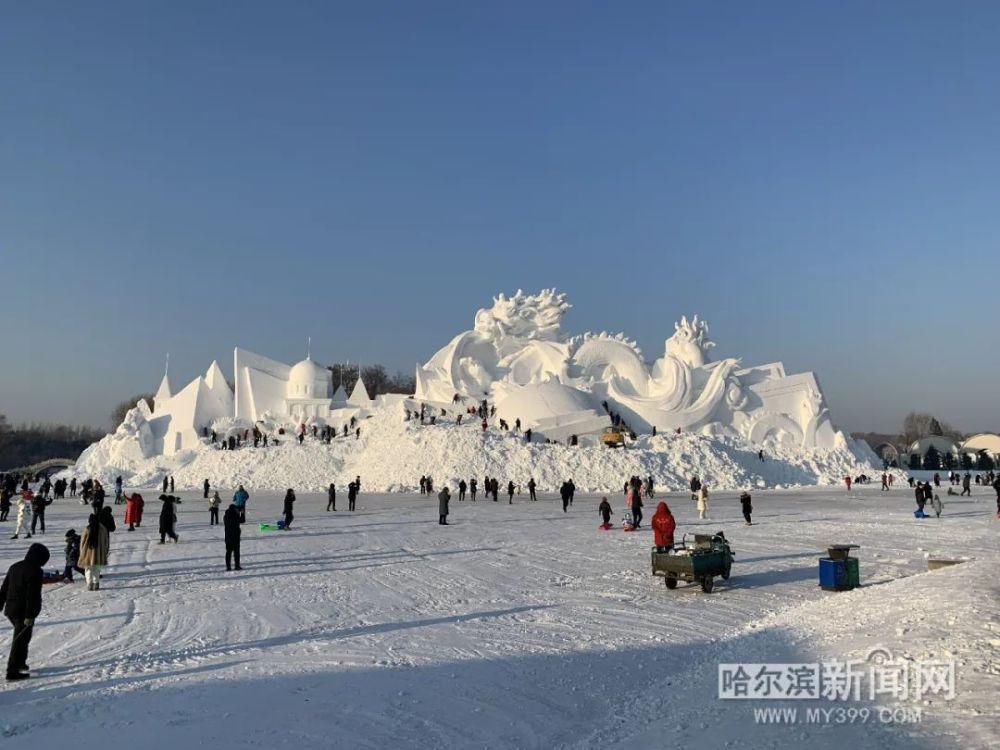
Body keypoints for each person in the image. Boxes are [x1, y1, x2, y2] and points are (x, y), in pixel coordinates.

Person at [0, 542, 50, 680]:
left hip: (11, 609)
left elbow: (4, 588)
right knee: (20, 639)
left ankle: (20, 663)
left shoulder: (15, 566)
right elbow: (33, 595)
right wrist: (31, 614)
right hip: (24, 611)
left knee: (24, 637)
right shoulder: (35, 571)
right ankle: (12, 671)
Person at [79, 512, 110, 591]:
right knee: (97, 569)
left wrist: (82, 552)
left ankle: (89, 583)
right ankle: (96, 583)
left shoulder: (87, 528)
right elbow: (106, 541)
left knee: (88, 569)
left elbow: (82, 542)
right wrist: (105, 551)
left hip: (88, 553)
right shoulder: (103, 529)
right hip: (99, 554)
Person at [223, 504, 242, 571]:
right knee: (236, 552)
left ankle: (228, 567)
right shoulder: (235, 516)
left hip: (228, 536)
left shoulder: (226, 516)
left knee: (228, 552)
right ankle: (237, 566)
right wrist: (241, 513)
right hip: (235, 536)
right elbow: (241, 520)